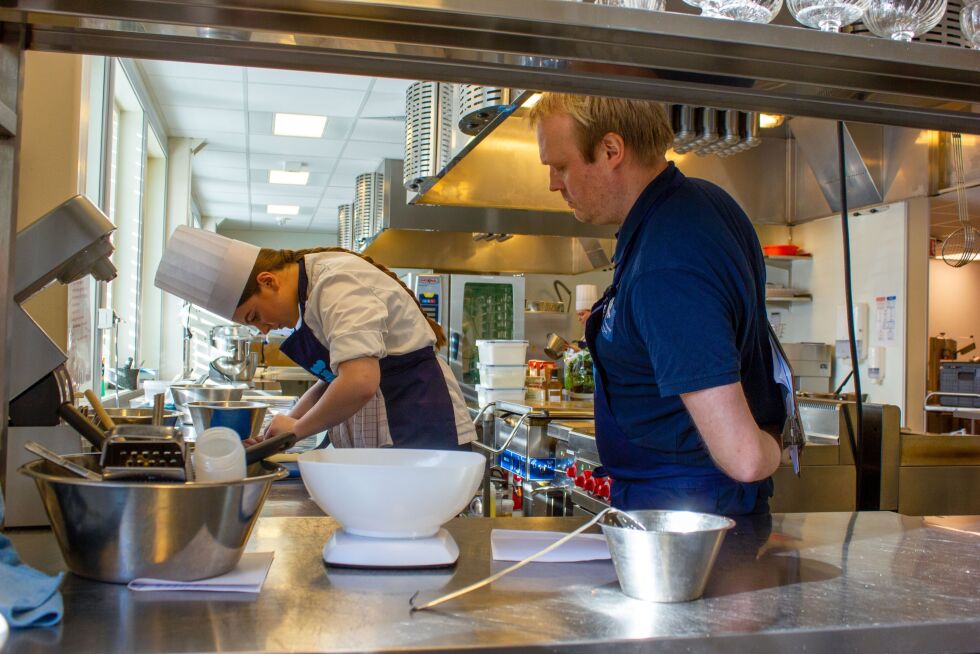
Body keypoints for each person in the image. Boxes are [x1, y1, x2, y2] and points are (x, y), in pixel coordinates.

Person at [530, 94, 787, 516]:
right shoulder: (701, 202)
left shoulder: (667, 261)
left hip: (687, 518)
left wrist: (778, 443)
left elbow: (744, 457)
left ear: (611, 150)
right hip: (684, 502)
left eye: (561, 166)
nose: (554, 184)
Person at [155, 226, 476, 450]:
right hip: (388, 439)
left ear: (268, 281)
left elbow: (360, 381)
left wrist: (298, 429)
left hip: (416, 429)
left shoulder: (334, 284)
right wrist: (287, 425)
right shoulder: (310, 293)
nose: (264, 330)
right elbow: (333, 379)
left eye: (255, 317)